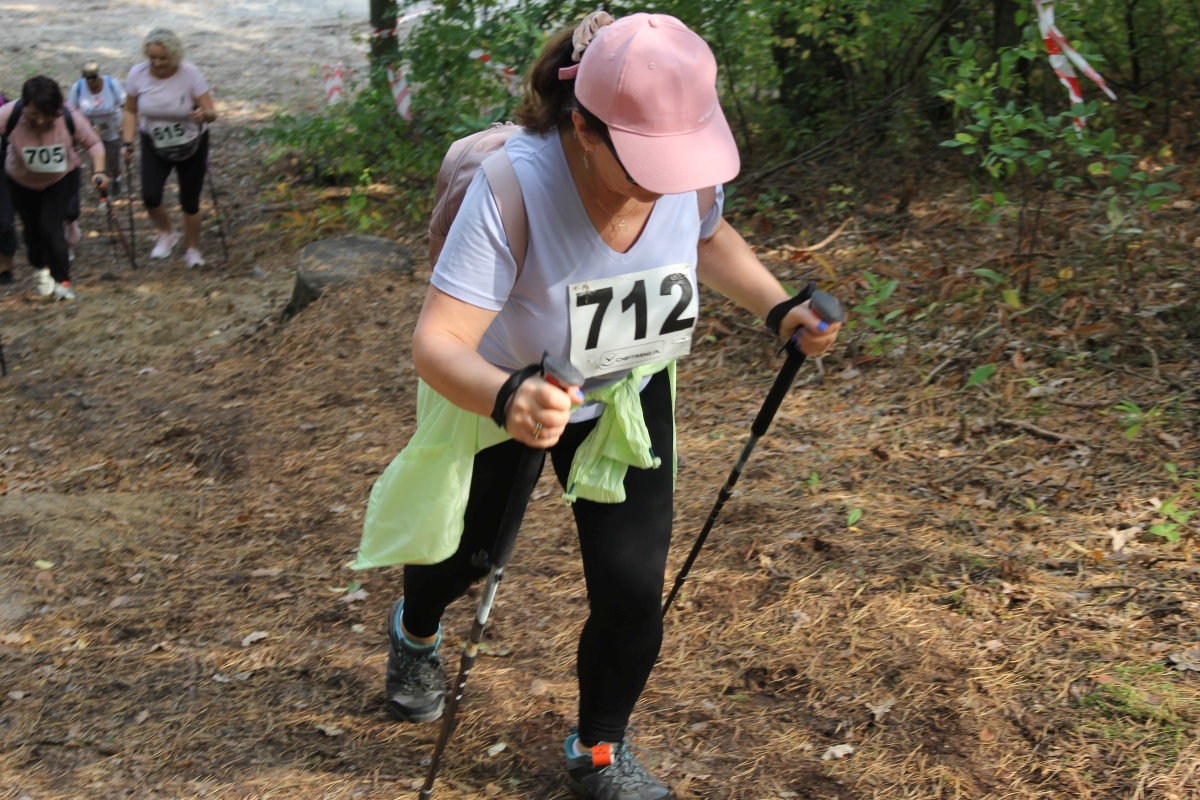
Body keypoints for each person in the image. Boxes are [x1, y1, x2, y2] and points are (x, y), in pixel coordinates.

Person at [359, 12, 841, 800]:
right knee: (465, 555)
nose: (666, 178)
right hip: (505, 389)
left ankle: (599, 751)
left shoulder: (682, 169)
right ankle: (415, 627)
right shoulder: (514, 185)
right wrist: (510, 396)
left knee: (630, 588)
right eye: (643, 160)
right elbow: (438, 341)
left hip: (624, 387)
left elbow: (707, 236)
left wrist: (777, 306)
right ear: (583, 126)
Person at [0, 76, 108, 301]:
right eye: (34, 114)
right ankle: (41, 267)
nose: (40, 121)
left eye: (47, 115)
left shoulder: (70, 117)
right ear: (25, 106)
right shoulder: (9, 115)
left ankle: (63, 282)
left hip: (60, 179)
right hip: (21, 182)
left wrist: (99, 171)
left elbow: (94, 144)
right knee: (32, 232)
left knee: (50, 228)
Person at [120, 28, 217, 268]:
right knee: (150, 196)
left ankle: (192, 250)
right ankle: (166, 232)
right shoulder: (138, 74)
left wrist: (202, 113)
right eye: (152, 57)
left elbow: (212, 112)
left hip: (191, 143)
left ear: (174, 56)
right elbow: (130, 110)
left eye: (163, 58)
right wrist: (127, 141)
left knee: (190, 201)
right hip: (154, 142)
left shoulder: (190, 74)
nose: (157, 63)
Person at [67, 62, 126, 204]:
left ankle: (116, 178)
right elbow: (71, 111)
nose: (91, 83)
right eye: (88, 80)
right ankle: (103, 197)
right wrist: (83, 128)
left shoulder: (112, 85)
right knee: (97, 167)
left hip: (112, 130)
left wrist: (124, 125)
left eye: (93, 79)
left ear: (98, 76)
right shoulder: (78, 88)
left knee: (113, 162)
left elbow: (125, 105)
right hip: (91, 133)